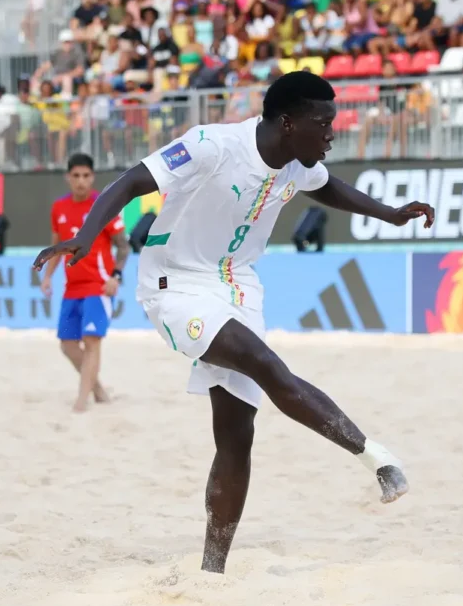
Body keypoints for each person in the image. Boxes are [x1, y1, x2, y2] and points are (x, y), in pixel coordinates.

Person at [32, 72, 435, 574]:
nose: (333, 133)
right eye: (324, 123)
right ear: (288, 123)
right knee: (264, 364)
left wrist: (391, 215)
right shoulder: (212, 145)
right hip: (175, 285)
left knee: (237, 433)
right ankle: (377, 458)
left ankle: (212, 570)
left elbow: (327, 188)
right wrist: (87, 235)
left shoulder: (297, 161)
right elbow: (134, 180)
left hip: (239, 286)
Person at [41, 153, 130, 413]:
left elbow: (123, 247)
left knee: (91, 341)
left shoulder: (104, 205)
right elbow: (58, 247)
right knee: (67, 345)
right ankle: (98, 389)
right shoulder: (59, 207)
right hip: (72, 287)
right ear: (68, 177)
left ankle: (81, 403)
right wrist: (47, 276)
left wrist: (116, 276)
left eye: (86, 176)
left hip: (99, 285)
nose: (81, 181)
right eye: (76, 176)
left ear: (93, 177)